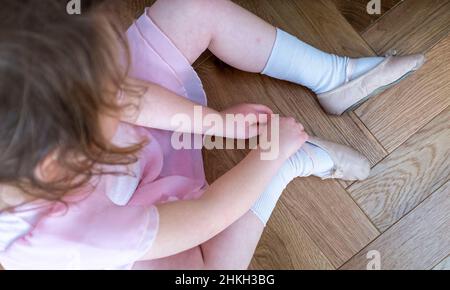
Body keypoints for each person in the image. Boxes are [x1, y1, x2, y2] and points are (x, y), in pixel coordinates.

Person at [0, 0, 424, 269]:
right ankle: (294, 163)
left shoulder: (47, 112)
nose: (122, 89)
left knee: (191, 8)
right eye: (110, 94)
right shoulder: (75, 238)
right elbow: (206, 217)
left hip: (104, 145)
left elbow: (124, 96)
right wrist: (269, 159)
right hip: (136, 220)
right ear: (63, 161)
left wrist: (212, 121)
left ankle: (336, 77)